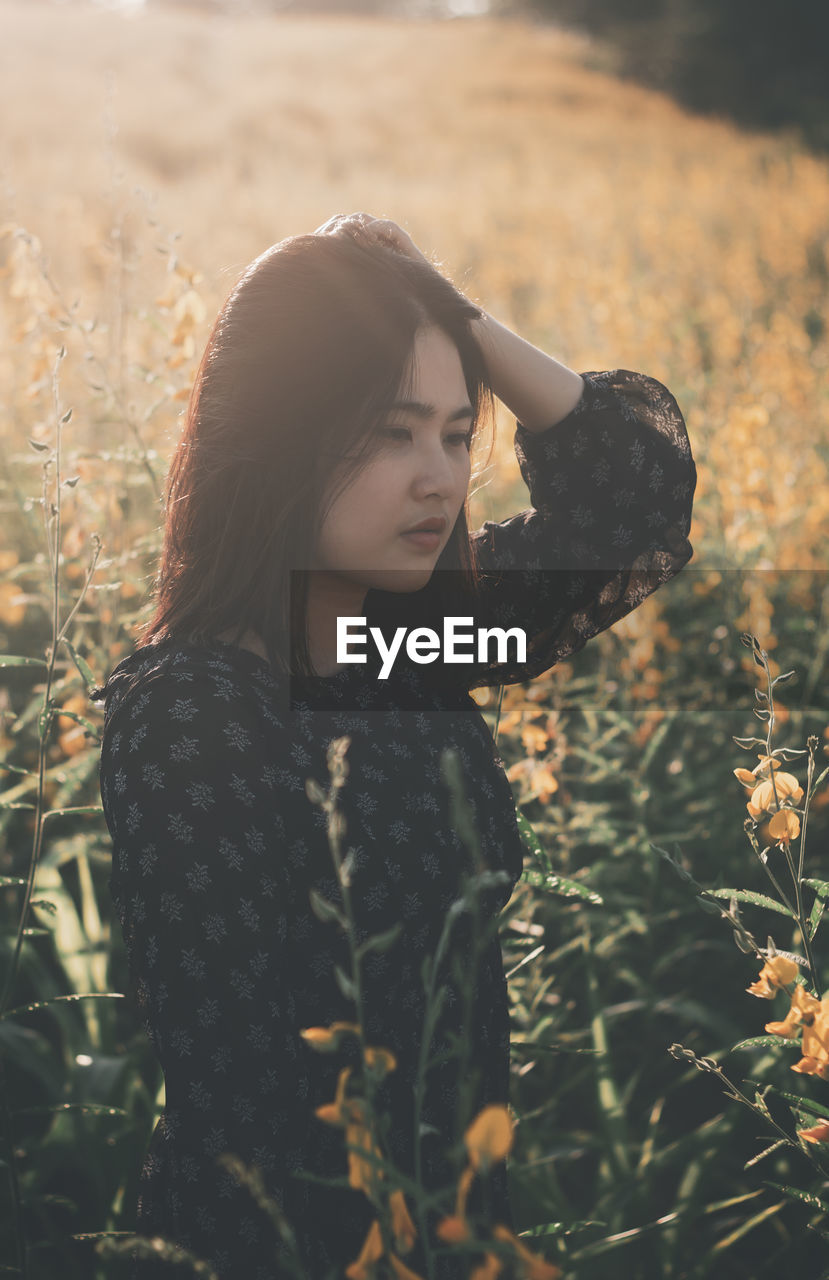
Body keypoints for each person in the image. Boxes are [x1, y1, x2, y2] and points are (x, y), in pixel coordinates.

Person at [94, 212, 697, 1279]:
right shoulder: (193, 710)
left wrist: (443, 305)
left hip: (450, 1234)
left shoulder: (411, 638)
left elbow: (636, 499)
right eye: (390, 431)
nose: (441, 479)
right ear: (276, 435)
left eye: (459, 434)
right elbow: (244, 1111)